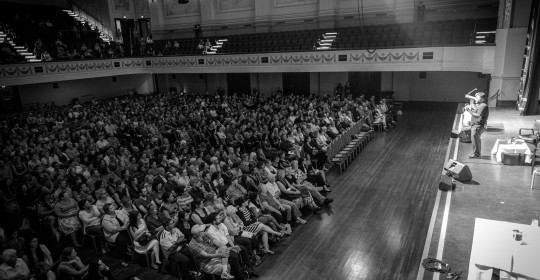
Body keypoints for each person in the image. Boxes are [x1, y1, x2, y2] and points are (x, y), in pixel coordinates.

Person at [462, 92, 489, 158]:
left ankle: (476, 154)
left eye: (477, 97)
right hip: (476, 125)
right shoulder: (481, 105)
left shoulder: (483, 106)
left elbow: (477, 116)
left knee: (475, 140)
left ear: (482, 99)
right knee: (476, 139)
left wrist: (469, 110)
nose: (475, 99)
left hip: (478, 126)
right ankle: (477, 153)